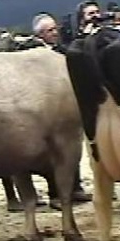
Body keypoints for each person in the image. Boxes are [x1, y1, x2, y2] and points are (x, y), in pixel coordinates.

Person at [31, 12, 93, 209]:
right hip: (47, 106)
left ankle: (75, 187)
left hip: (67, 103)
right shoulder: (34, 55)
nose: (54, 33)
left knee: (72, 149)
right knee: (53, 153)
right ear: (40, 35)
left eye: (54, 29)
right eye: (49, 31)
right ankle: (55, 194)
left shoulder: (62, 50)